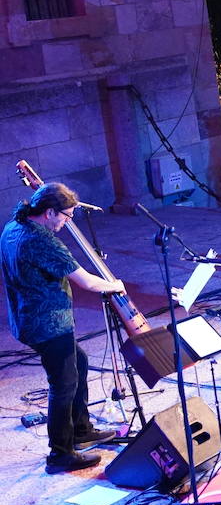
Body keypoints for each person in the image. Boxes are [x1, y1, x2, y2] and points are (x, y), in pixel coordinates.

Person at [1, 184, 123, 474]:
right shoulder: (42, 240)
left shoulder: (13, 226)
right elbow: (87, 282)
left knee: (78, 363)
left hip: (26, 317)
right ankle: (60, 454)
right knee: (63, 383)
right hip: (48, 324)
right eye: (66, 216)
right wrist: (115, 285)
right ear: (49, 212)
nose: (67, 222)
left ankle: (80, 429)